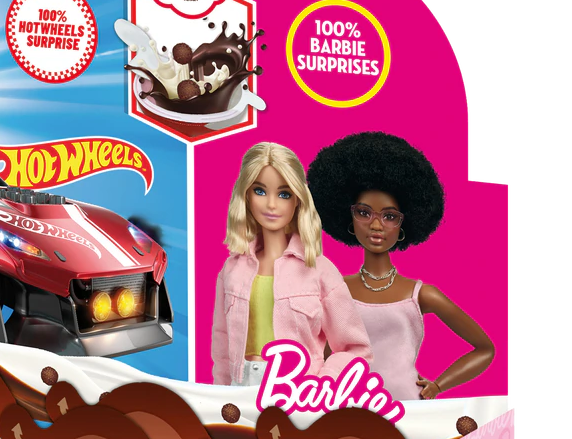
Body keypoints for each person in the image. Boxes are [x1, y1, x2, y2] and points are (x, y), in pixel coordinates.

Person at [306, 131, 494, 400]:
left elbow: (485, 349)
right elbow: (322, 356)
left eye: (389, 216)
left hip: (407, 407)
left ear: (404, 224)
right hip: (348, 407)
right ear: (349, 216)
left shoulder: (421, 295)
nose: (376, 225)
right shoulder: (335, 288)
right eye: (364, 212)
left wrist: (438, 385)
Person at [211, 141, 371, 386]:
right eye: (260, 191)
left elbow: (356, 348)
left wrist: (322, 383)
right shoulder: (232, 269)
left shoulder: (319, 270)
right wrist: (220, 397)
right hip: (240, 387)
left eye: (284, 194)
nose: (271, 204)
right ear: (245, 195)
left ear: (297, 200)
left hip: (296, 390)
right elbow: (222, 344)